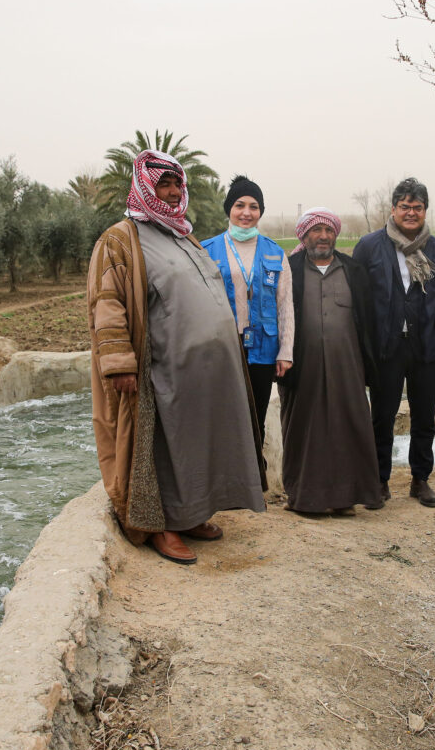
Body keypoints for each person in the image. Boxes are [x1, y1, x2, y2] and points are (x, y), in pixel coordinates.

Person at [87, 149, 266, 564]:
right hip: (159, 369)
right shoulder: (121, 239)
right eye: (162, 184)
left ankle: (191, 514)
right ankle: (163, 525)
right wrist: (119, 365)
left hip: (203, 372)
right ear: (143, 186)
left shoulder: (182, 233)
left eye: (176, 184)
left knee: (197, 443)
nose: (170, 192)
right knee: (165, 448)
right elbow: (107, 303)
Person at [278, 208, 384, 514]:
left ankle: (345, 499)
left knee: (348, 427)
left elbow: (367, 320)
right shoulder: (290, 268)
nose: (323, 236)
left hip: (347, 365)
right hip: (301, 365)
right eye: (316, 230)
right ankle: (303, 498)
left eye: (329, 231)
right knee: (302, 429)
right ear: (304, 235)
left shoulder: (353, 269)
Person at [352, 178, 435, 507]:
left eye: (417, 207)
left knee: (425, 415)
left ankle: (420, 479)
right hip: (385, 347)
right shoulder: (369, 246)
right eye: (405, 207)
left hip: (424, 348)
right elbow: (360, 301)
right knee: (382, 415)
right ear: (393, 209)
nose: (411, 213)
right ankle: (378, 480)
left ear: (425, 211)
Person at [201, 176, 294, 447]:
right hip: (222, 348)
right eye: (239, 205)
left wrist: (285, 352)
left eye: (254, 207)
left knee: (256, 417)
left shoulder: (275, 253)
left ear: (260, 212)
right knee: (223, 416)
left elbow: (285, 305)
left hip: (263, 350)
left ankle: (255, 481)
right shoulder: (206, 251)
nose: (246, 212)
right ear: (229, 208)